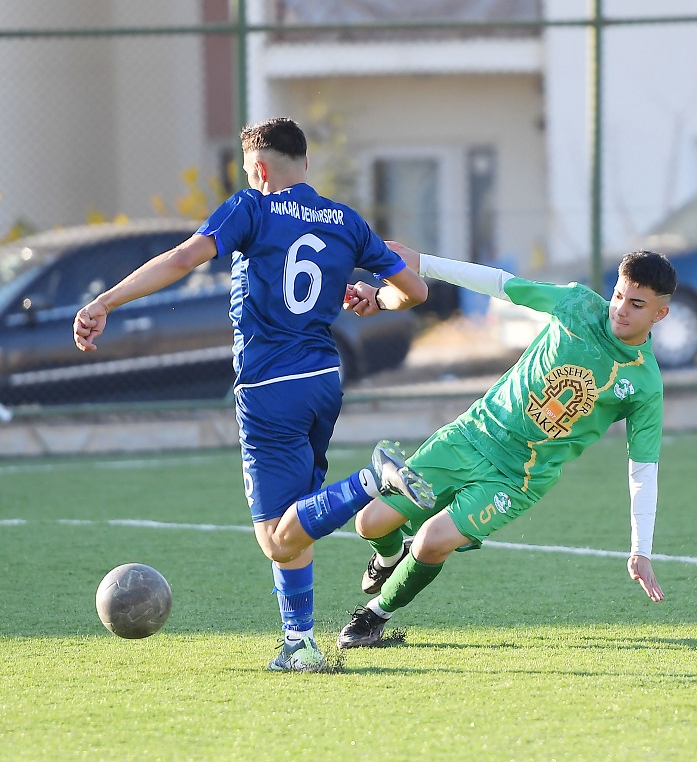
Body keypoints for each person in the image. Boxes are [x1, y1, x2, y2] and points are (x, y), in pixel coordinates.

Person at [73, 117, 433, 671]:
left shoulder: (251, 207)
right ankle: (299, 642)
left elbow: (181, 259)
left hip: (268, 387)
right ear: (306, 165)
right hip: (322, 381)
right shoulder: (345, 220)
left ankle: (374, 479)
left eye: (249, 170)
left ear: (259, 169)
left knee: (274, 537)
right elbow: (414, 289)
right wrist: (371, 296)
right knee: (298, 518)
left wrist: (105, 303)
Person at [336, 245, 677, 649]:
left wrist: (641, 551)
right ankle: (390, 559)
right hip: (469, 435)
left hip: (516, 477)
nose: (620, 309)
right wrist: (421, 263)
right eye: (619, 295)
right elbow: (500, 284)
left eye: (637, 304)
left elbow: (642, 468)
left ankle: (376, 616)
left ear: (660, 313)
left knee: (431, 540)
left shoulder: (644, 383)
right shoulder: (578, 304)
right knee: (369, 524)